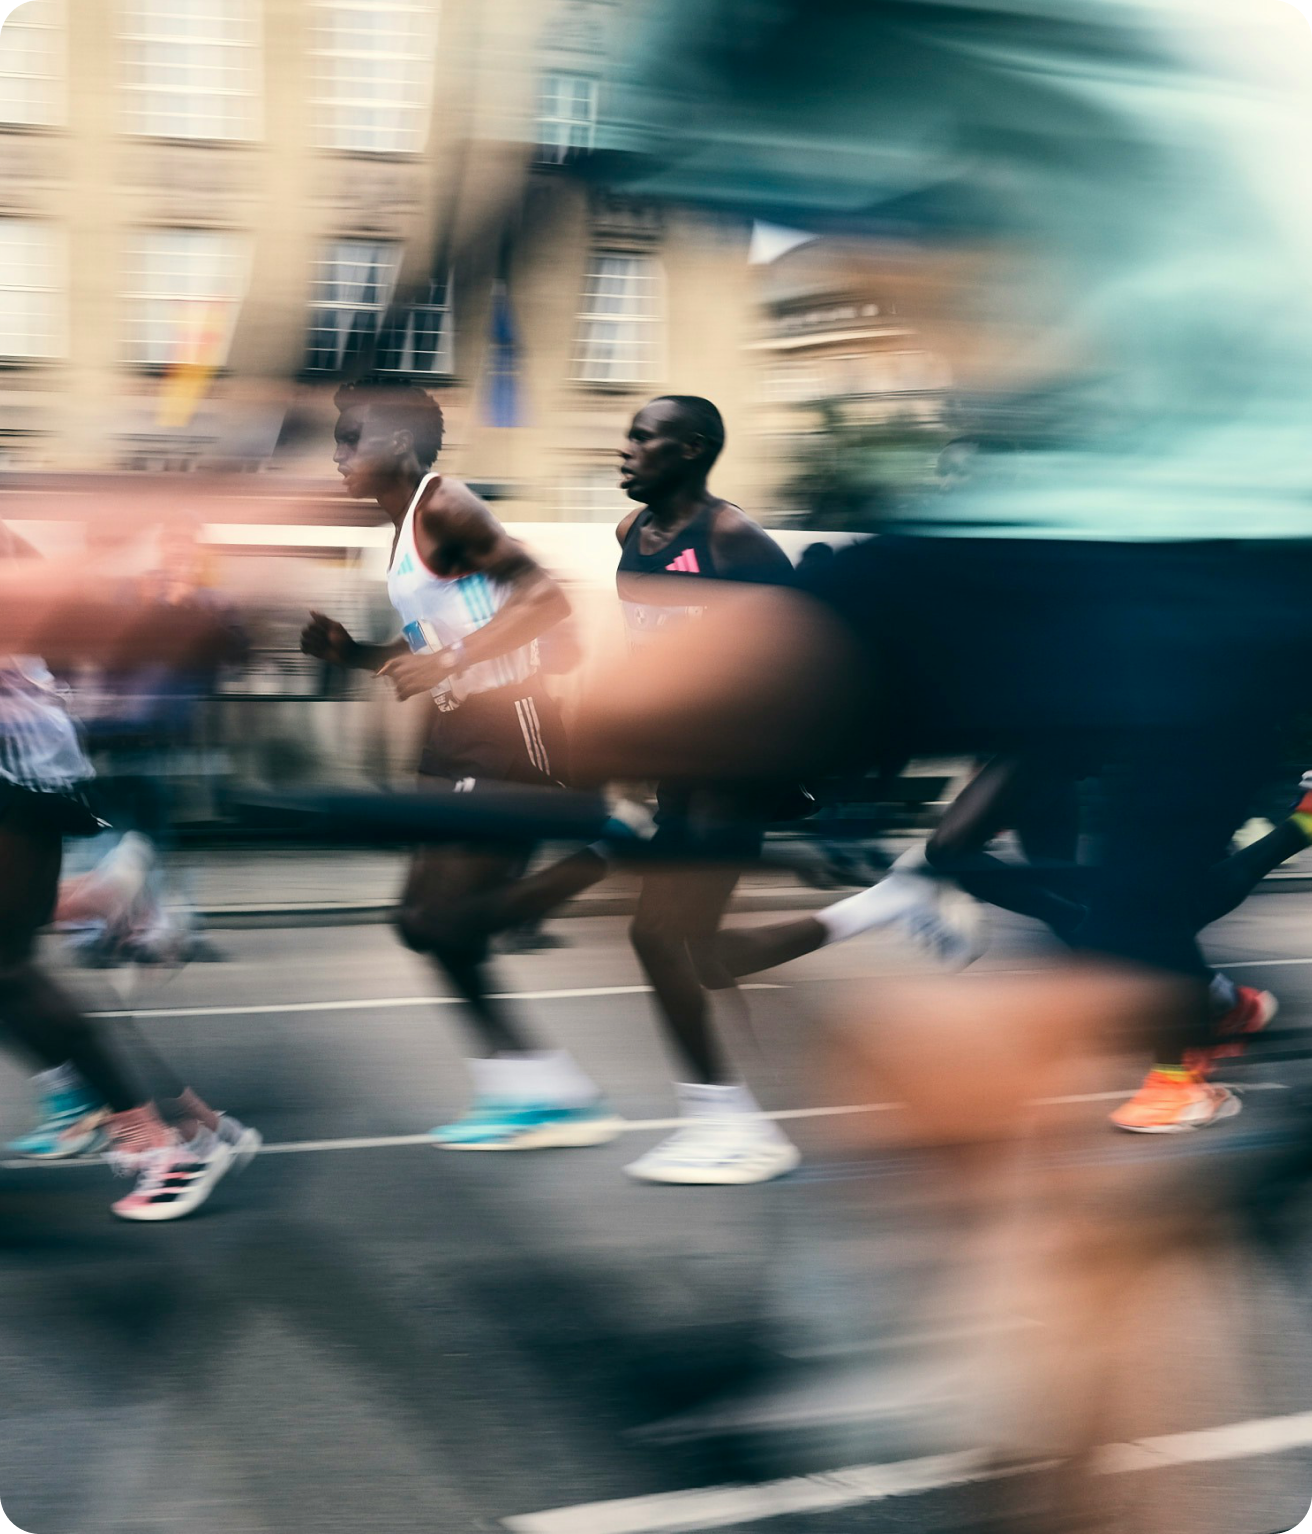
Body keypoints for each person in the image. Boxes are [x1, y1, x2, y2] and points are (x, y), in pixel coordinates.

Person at [301, 380, 617, 1150]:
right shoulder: (407, 528)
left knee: (442, 921)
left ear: (399, 447)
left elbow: (545, 598)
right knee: (421, 925)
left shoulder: (447, 504)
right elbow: (435, 646)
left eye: (352, 439)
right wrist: (357, 657)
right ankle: (534, 1087)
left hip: (509, 726)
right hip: (451, 735)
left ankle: (606, 848)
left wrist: (450, 661)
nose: (339, 455)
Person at [0, 522, 258, 1218]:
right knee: (7, 970)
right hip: (27, 752)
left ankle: (161, 1148)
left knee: (6, 972)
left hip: (12, 759)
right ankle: (190, 1126)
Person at [596, 394, 805, 1185]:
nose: (625, 450)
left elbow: (806, 655)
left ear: (690, 450)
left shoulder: (732, 540)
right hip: (674, 772)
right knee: (698, 950)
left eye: (641, 439)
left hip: (733, 773)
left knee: (661, 936)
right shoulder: (630, 534)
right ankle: (728, 1112)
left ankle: (726, 1119)